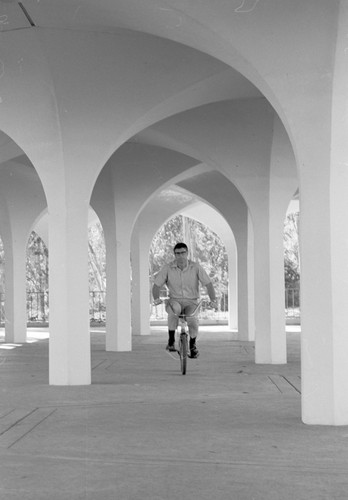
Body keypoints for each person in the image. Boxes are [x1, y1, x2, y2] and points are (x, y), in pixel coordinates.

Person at [152, 242, 218, 358]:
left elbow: (208, 284)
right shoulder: (168, 268)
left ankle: (192, 345)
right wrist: (156, 298)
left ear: (187, 253)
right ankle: (171, 340)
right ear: (175, 255)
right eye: (177, 253)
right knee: (174, 310)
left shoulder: (196, 267)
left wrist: (213, 300)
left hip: (191, 301)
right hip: (175, 300)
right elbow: (156, 285)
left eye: (183, 253)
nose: (180, 256)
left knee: (192, 318)